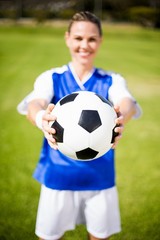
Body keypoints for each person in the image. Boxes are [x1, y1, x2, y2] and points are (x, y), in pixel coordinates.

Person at [17, 11, 141, 240]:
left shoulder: (112, 80)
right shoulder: (51, 77)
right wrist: (41, 117)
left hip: (100, 179)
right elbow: (35, 103)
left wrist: (120, 116)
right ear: (67, 38)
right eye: (78, 38)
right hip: (58, 176)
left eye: (92, 39)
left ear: (100, 41)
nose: (85, 45)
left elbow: (127, 102)